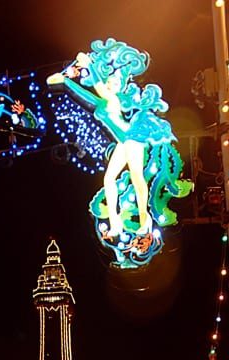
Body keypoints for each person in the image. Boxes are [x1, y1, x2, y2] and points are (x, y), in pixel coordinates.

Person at [47, 38, 177, 238]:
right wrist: (64, 81)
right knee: (108, 179)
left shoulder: (113, 99)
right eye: (109, 81)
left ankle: (145, 219)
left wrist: (90, 65)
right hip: (122, 142)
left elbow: (99, 86)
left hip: (133, 139)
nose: (110, 84)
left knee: (137, 177)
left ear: (120, 87)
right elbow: (84, 94)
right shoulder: (101, 102)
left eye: (114, 82)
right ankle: (116, 223)